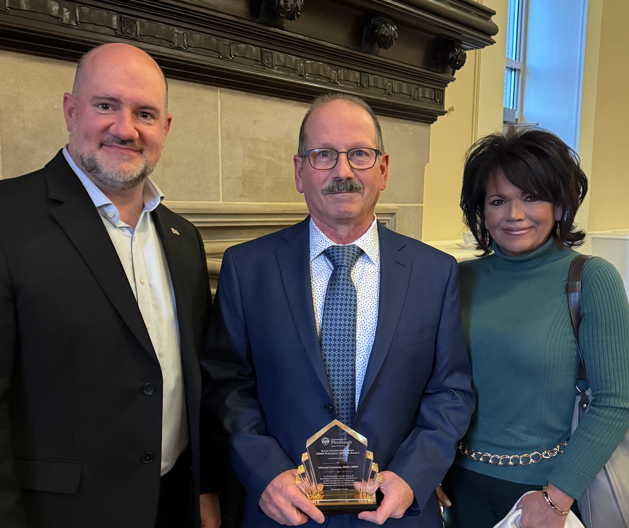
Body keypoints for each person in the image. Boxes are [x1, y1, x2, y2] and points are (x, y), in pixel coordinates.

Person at [203, 93, 475, 527]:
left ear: (383, 169)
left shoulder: (434, 273)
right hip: (286, 512)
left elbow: (451, 392)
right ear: (299, 171)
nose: (343, 171)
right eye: (323, 155)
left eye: (359, 154)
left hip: (396, 511)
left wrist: (411, 476)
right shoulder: (247, 268)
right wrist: (267, 473)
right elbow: (226, 386)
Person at [0, 43, 221, 528]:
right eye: (106, 106)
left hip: (172, 506)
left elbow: (196, 381)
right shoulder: (7, 218)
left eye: (145, 113)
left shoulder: (183, 238)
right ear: (70, 110)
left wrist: (204, 488)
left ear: (165, 129)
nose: (126, 128)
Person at [438, 127, 629, 528]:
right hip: (456, 486)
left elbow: (615, 402)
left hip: (547, 493)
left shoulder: (592, 278)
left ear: (559, 205)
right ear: (481, 211)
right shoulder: (457, 278)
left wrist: (555, 500)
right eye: (498, 201)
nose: (515, 215)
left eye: (531, 197)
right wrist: (426, 466)